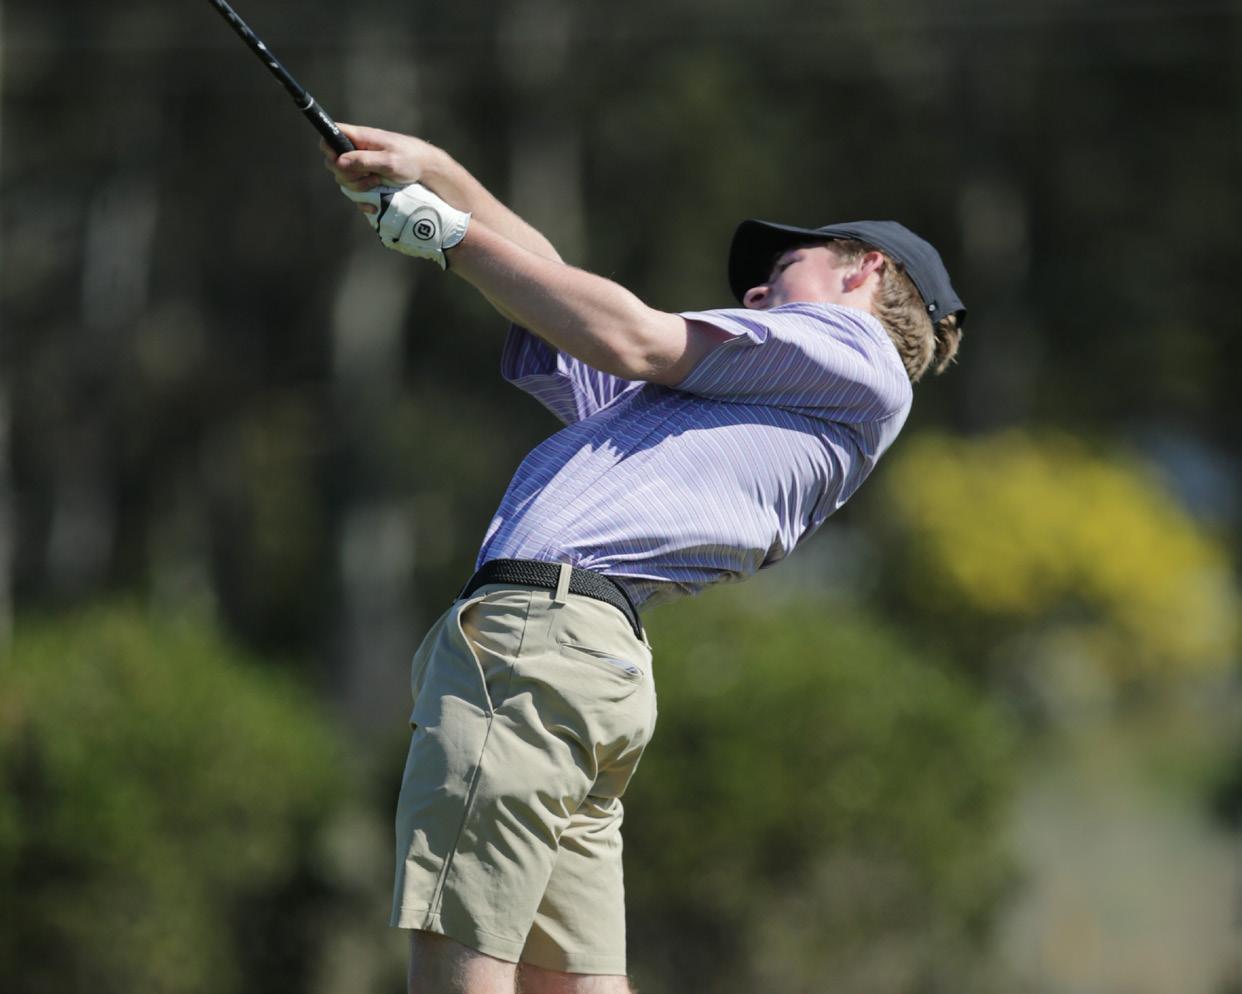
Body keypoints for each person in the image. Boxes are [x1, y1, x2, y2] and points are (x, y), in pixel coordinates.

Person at [323, 123, 966, 994]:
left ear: (867, 273)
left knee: (459, 951)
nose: (754, 288)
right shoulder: (742, 399)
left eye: (784, 268)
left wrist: (448, 235)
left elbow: (631, 334)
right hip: (586, 663)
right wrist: (437, 175)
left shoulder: (857, 354)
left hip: (542, 643)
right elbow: (561, 294)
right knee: (574, 983)